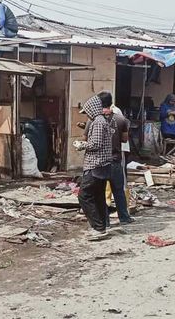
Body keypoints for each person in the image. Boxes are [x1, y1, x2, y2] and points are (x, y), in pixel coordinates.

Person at [77, 91, 115, 241]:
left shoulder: (98, 122)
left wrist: (82, 145)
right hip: (102, 164)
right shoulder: (101, 120)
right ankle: (103, 226)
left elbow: (96, 144)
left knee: (84, 195)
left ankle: (98, 227)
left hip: (96, 164)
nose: (86, 115)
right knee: (98, 196)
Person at [106, 106, 134, 225]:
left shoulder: (114, 116)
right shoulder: (119, 119)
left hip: (113, 156)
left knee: (118, 185)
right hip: (115, 156)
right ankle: (122, 215)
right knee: (117, 186)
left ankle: (114, 215)